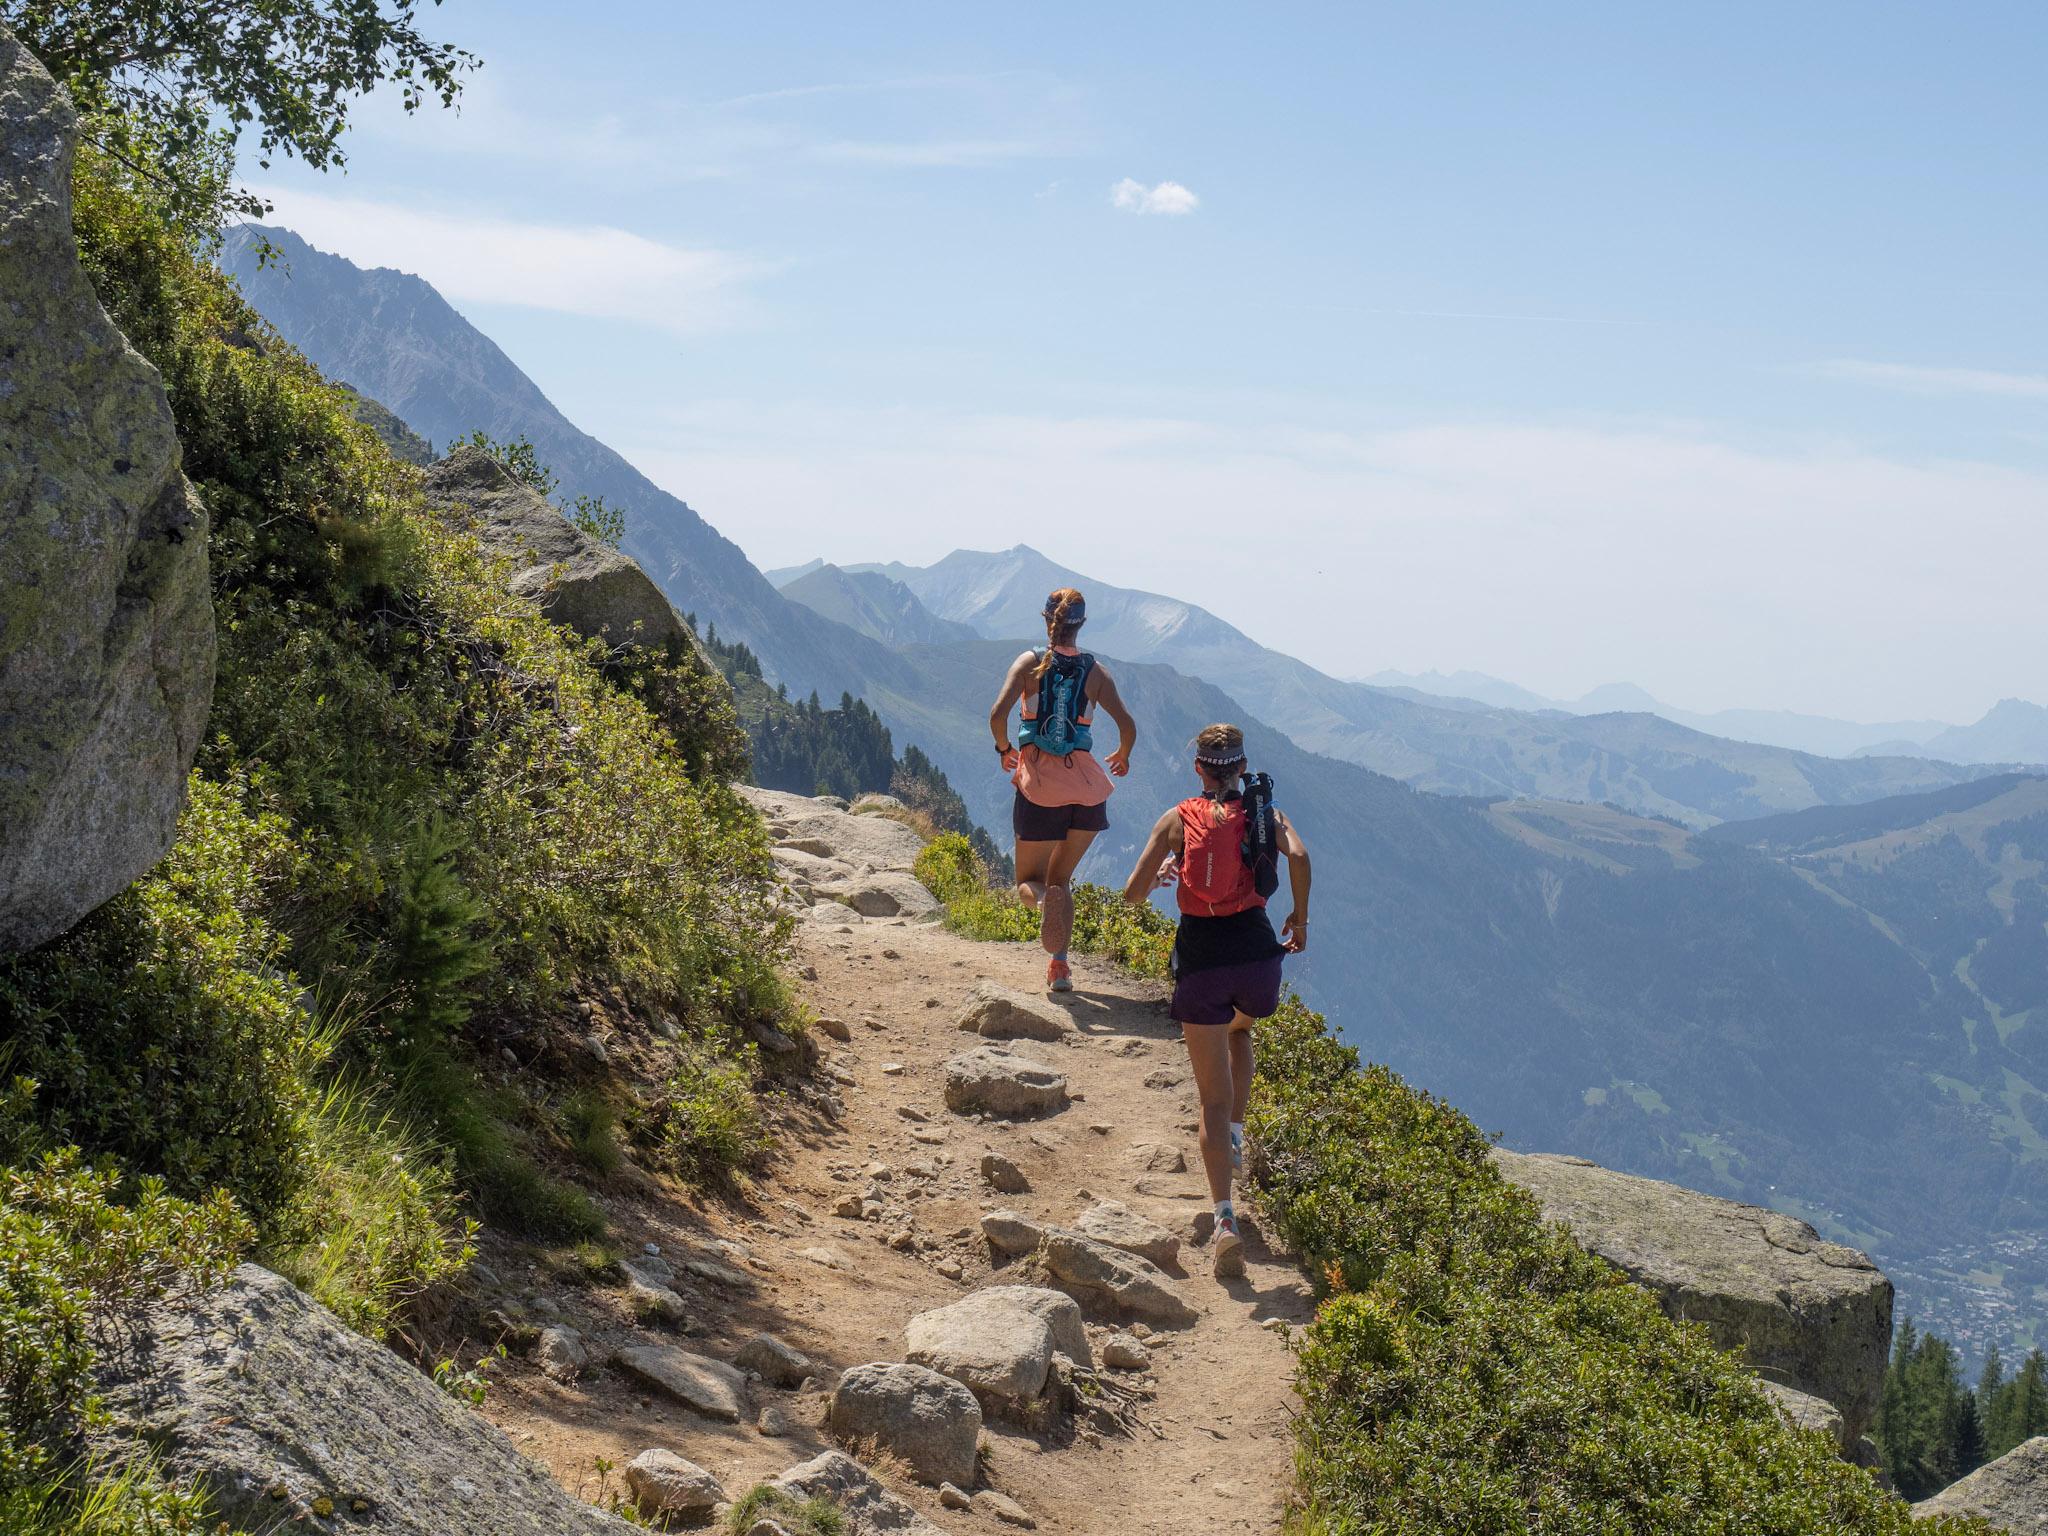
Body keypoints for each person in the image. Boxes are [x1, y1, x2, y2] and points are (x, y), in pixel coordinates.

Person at [1122, 723, 1310, 1280]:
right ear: (1242, 766)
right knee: (1240, 1031)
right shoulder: (1265, 813)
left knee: (1210, 1097)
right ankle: (1236, 1133)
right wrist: (1300, 916)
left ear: (1200, 768)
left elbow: (1131, 895)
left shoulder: (1178, 819)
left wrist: (1162, 877)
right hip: (1256, 955)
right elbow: (1298, 857)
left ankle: (1225, 1218)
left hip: (1201, 958)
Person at [989, 588, 1136, 992]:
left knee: (1030, 882)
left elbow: (997, 715)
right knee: (1062, 881)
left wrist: (1005, 750)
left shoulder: (1030, 662)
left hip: (1040, 787)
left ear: (1046, 619)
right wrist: (1122, 756)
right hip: (1087, 790)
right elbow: (1127, 726)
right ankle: (1059, 968)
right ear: (1081, 625)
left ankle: (1040, 902)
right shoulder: (1096, 672)